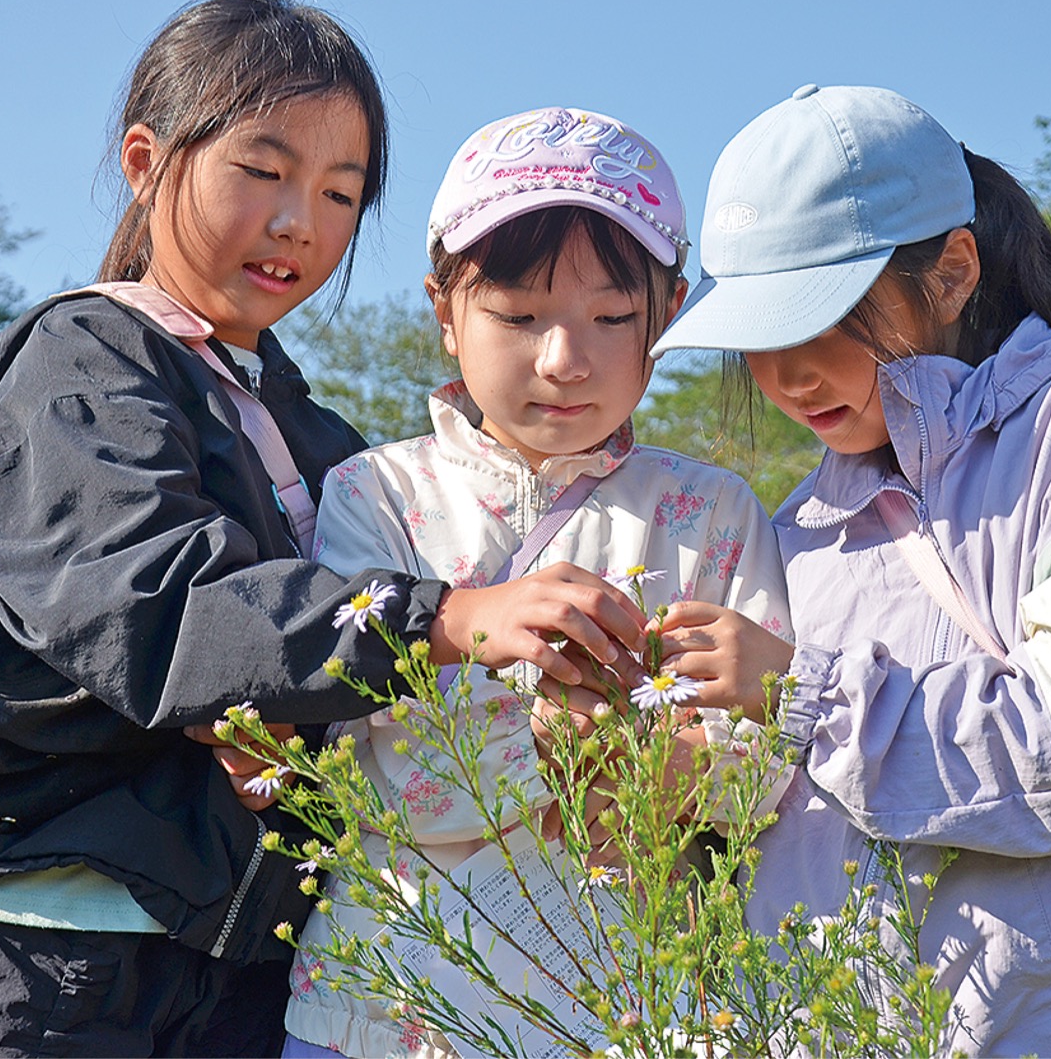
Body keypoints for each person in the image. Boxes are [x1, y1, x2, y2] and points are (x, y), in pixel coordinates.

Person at [0, 0, 646, 1059]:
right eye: (263, 170)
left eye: (341, 193)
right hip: (74, 957)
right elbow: (157, 607)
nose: (301, 220)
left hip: (253, 964)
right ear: (147, 160)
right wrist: (446, 619)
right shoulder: (80, 364)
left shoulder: (319, 433)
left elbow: (306, 659)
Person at [649, 82, 1051, 1056]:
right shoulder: (796, 527)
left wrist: (802, 693)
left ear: (951, 272)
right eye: (762, 339)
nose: (790, 374)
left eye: (827, 317)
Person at [280, 106, 790, 1058]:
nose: (564, 359)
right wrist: (557, 755)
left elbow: (767, 766)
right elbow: (358, 751)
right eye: (517, 316)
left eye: (611, 317)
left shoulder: (714, 510)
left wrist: (657, 769)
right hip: (383, 1009)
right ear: (444, 312)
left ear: (668, 315)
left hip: (628, 1009)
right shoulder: (373, 495)